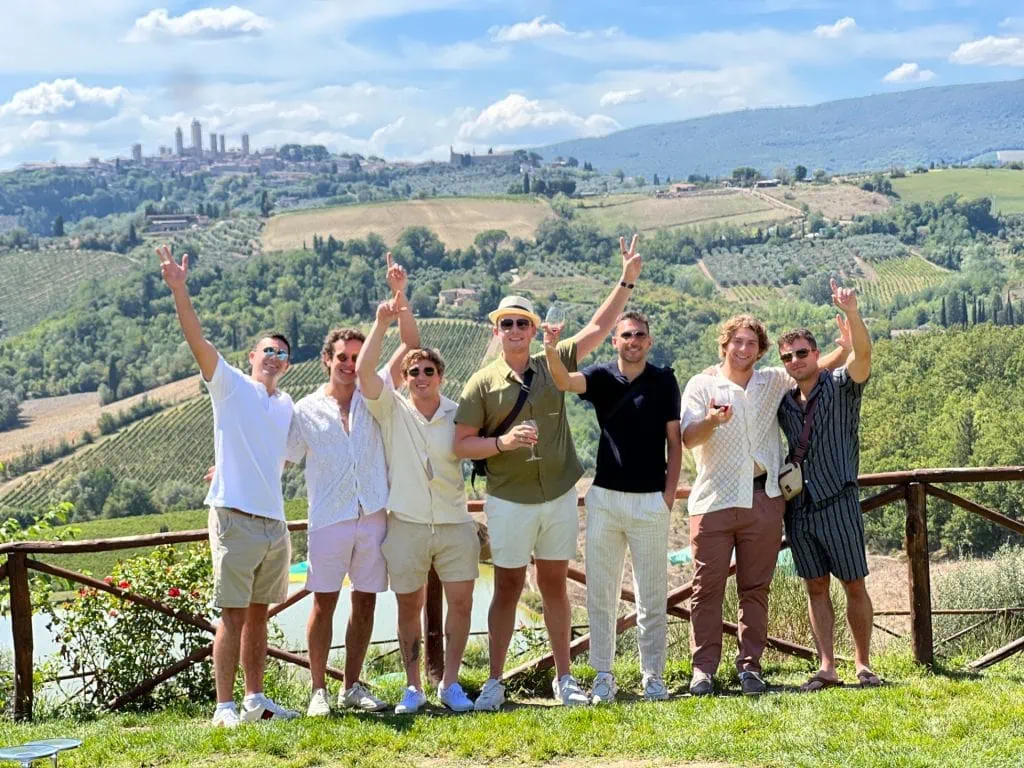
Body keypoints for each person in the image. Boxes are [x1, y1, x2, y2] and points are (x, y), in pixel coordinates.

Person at [453, 235, 644, 711]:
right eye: (507, 323)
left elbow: (601, 327)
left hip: (559, 493)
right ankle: (495, 682)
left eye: (522, 322)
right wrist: (502, 442)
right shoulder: (481, 382)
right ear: (497, 330)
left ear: (534, 328)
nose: (515, 329)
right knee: (509, 587)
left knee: (555, 585)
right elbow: (460, 444)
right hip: (509, 498)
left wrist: (626, 280)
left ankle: (564, 679)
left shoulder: (552, 363)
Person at [156, 243, 298, 727]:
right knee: (233, 616)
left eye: (282, 353)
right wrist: (180, 289)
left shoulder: (286, 406)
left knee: (259, 615)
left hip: (274, 524)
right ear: (250, 356)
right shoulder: (230, 384)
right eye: (268, 351)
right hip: (235, 516)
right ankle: (224, 707)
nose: (275, 357)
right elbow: (196, 339)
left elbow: (280, 452)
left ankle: (256, 701)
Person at [680, 313, 849, 696]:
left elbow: (812, 367)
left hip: (764, 498)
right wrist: (711, 420)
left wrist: (845, 346)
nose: (743, 348)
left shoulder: (772, 380)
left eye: (750, 343)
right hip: (713, 500)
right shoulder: (701, 384)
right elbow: (689, 438)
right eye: (736, 341)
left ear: (760, 350)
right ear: (724, 345)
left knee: (755, 589)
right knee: (706, 589)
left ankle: (749, 668)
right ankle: (703, 670)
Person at [285, 253, 419, 717]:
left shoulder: (376, 390)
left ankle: (352, 686)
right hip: (328, 517)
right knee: (322, 604)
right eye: (341, 357)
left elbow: (413, 345)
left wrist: (399, 300)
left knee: (364, 603)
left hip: (373, 515)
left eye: (355, 358)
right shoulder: (304, 410)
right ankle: (318, 690)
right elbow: (280, 455)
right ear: (326, 360)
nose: (348, 364)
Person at [544, 310, 682, 704]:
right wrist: (552, 348)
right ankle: (603, 675)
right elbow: (564, 381)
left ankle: (652, 676)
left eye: (640, 335)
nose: (633, 341)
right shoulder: (602, 377)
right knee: (600, 595)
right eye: (626, 335)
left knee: (651, 596)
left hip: (650, 502)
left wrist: (668, 497)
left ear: (649, 341)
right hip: (605, 498)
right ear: (615, 341)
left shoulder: (664, 381)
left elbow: (675, 442)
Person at [357, 300, 479, 715]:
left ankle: (450, 683)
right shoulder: (391, 409)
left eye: (429, 371)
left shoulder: (459, 415)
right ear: (405, 378)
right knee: (408, 607)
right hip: (406, 523)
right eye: (414, 371)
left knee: (461, 604)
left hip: (455, 523)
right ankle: (414, 688)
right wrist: (382, 322)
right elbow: (364, 373)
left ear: (441, 377)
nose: (422, 376)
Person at [776, 280, 881, 692]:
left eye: (802, 352)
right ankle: (826, 666)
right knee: (815, 587)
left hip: (839, 501)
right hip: (799, 507)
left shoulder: (841, 386)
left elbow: (865, 355)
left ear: (816, 354)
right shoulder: (783, 400)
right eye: (788, 356)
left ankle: (863, 664)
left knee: (854, 583)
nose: (796, 360)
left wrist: (852, 313)